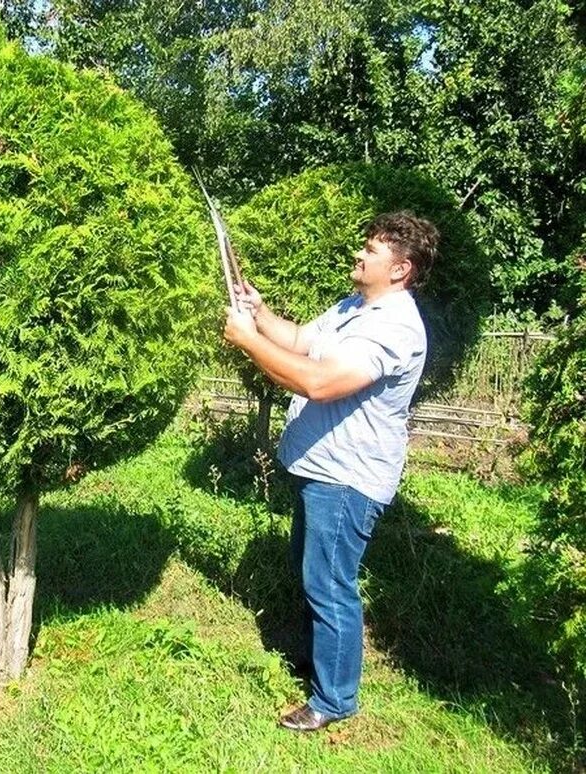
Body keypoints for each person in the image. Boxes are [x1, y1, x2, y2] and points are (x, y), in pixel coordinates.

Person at [223, 211, 439, 732]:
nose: (359, 255)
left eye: (371, 250)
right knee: (311, 571)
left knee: (329, 583)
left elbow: (319, 382)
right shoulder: (355, 307)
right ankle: (318, 662)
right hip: (320, 467)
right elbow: (301, 340)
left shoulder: (395, 328)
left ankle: (334, 699)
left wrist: (249, 340)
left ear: (400, 269)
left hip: (348, 479)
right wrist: (261, 314)